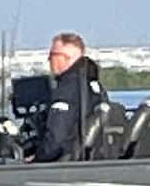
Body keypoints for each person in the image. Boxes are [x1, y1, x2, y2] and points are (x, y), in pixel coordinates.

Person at [32, 32, 106, 162]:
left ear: (64, 57)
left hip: (66, 163)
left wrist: (35, 160)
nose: (48, 60)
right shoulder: (95, 86)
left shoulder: (66, 90)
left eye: (52, 55)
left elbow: (56, 140)